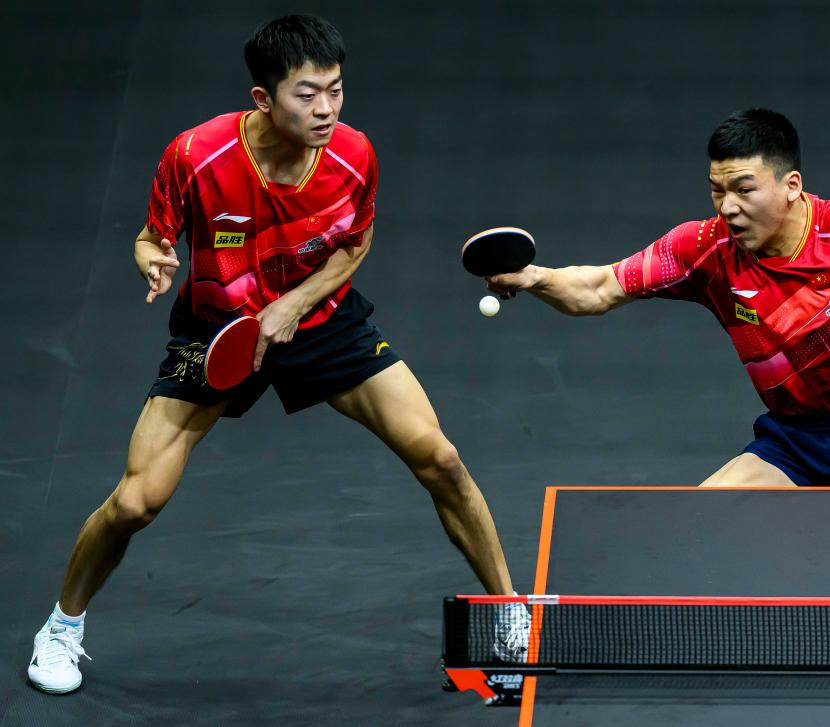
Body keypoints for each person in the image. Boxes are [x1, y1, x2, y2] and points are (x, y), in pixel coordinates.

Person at [28, 14, 527, 695]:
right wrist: (153, 259)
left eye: (336, 89)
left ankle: (507, 613)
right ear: (263, 98)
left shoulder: (353, 154)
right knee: (136, 501)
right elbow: (151, 236)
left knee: (440, 457)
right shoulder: (196, 156)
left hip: (321, 322)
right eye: (306, 93)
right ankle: (61, 626)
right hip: (220, 332)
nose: (326, 109)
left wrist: (294, 304)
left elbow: (356, 242)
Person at [488, 108, 830, 488]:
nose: (727, 207)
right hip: (798, 447)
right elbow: (598, 289)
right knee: (704, 523)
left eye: (744, 190)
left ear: (791, 185)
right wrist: (535, 277)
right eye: (717, 190)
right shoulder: (702, 248)